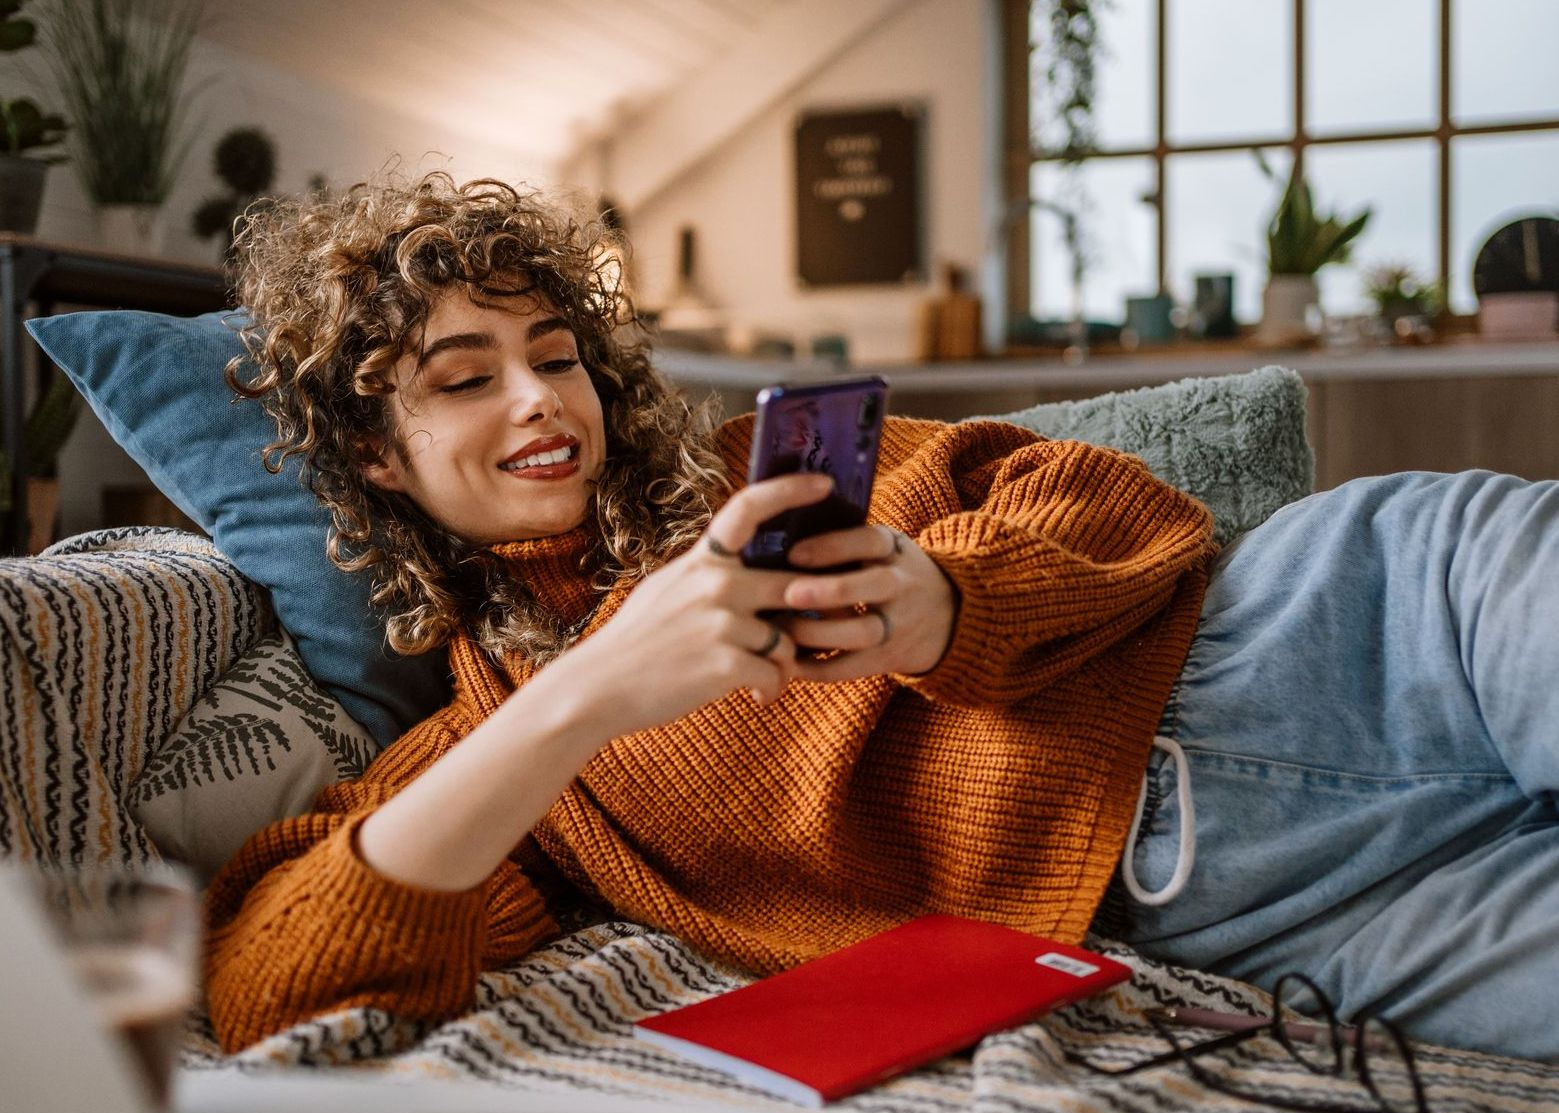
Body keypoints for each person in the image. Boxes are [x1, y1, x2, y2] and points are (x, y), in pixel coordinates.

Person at [205, 172, 1559, 1065]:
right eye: (464, 379)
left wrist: (944, 602)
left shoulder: (763, 472)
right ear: (377, 454)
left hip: (1352, 621)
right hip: (1273, 918)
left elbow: (1119, 504)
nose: (539, 399)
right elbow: (278, 984)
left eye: (556, 356)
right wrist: (584, 693)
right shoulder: (503, 758)